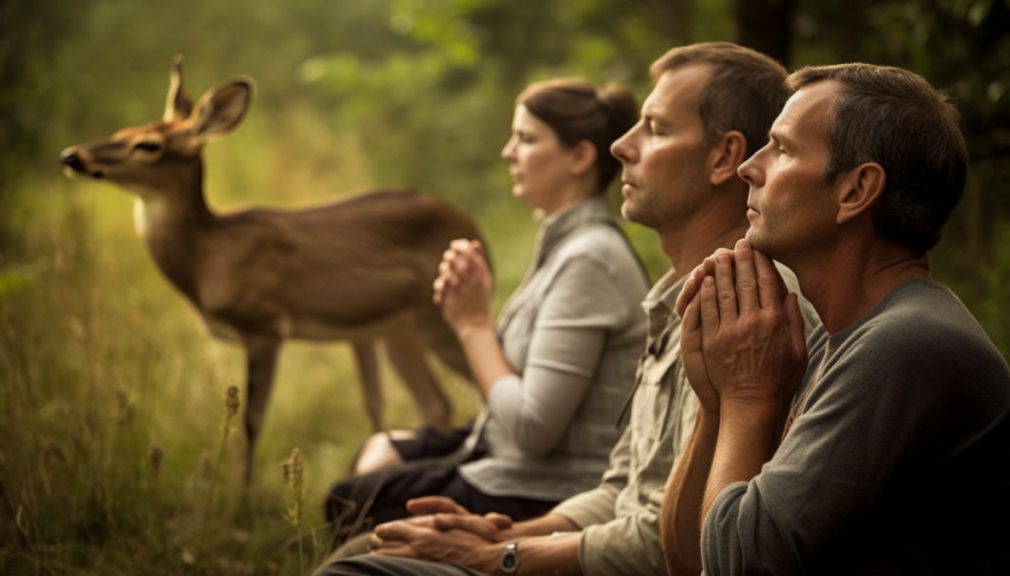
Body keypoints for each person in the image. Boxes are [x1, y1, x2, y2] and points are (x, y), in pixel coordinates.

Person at [315, 42, 816, 576]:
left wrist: (498, 553)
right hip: (555, 514)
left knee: (356, 555)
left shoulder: (745, 311)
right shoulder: (676, 297)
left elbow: (669, 539)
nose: (622, 147)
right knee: (365, 544)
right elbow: (622, 490)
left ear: (723, 157)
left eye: (656, 129)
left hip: (561, 513)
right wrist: (500, 532)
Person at [662, 63, 1010, 575]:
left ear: (855, 190)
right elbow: (689, 560)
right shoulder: (835, 337)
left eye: (781, 149)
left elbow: (742, 566)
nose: (749, 168)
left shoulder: (907, 346)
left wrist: (747, 398)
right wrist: (715, 406)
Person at [324, 77, 650, 542]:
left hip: (543, 490)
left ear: (579, 157)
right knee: (381, 447)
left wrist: (473, 325)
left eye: (526, 139)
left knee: (349, 500)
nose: (508, 152)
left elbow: (532, 430)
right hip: (505, 453)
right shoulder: (568, 247)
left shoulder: (589, 260)